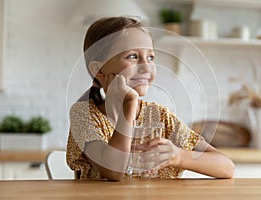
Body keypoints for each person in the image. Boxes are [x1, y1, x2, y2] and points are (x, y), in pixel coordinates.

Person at [66, 16, 234, 181]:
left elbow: (227, 167)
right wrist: (129, 104)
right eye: (132, 56)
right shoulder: (84, 115)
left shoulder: (161, 116)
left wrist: (179, 156)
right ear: (99, 69)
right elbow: (113, 171)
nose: (146, 66)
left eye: (151, 57)